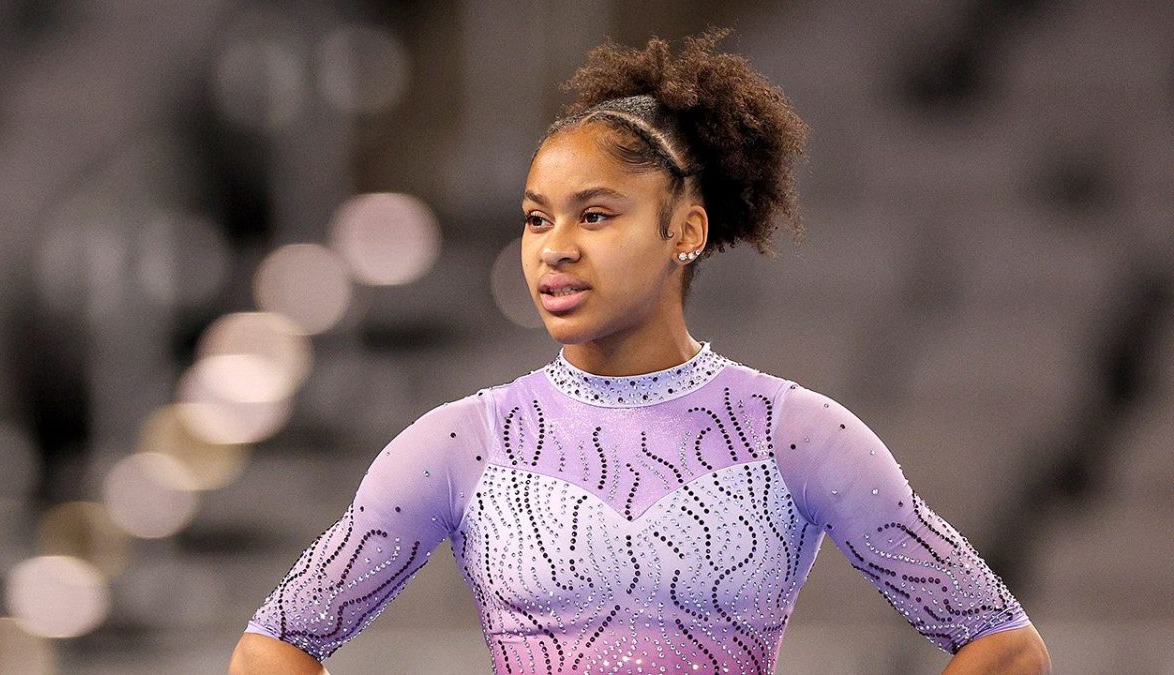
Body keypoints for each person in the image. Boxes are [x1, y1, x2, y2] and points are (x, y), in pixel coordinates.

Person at [229, 30, 1051, 674]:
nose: (554, 248)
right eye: (536, 218)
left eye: (594, 215)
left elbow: (1007, 646)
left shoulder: (794, 434)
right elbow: (271, 647)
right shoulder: (463, 443)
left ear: (684, 230)